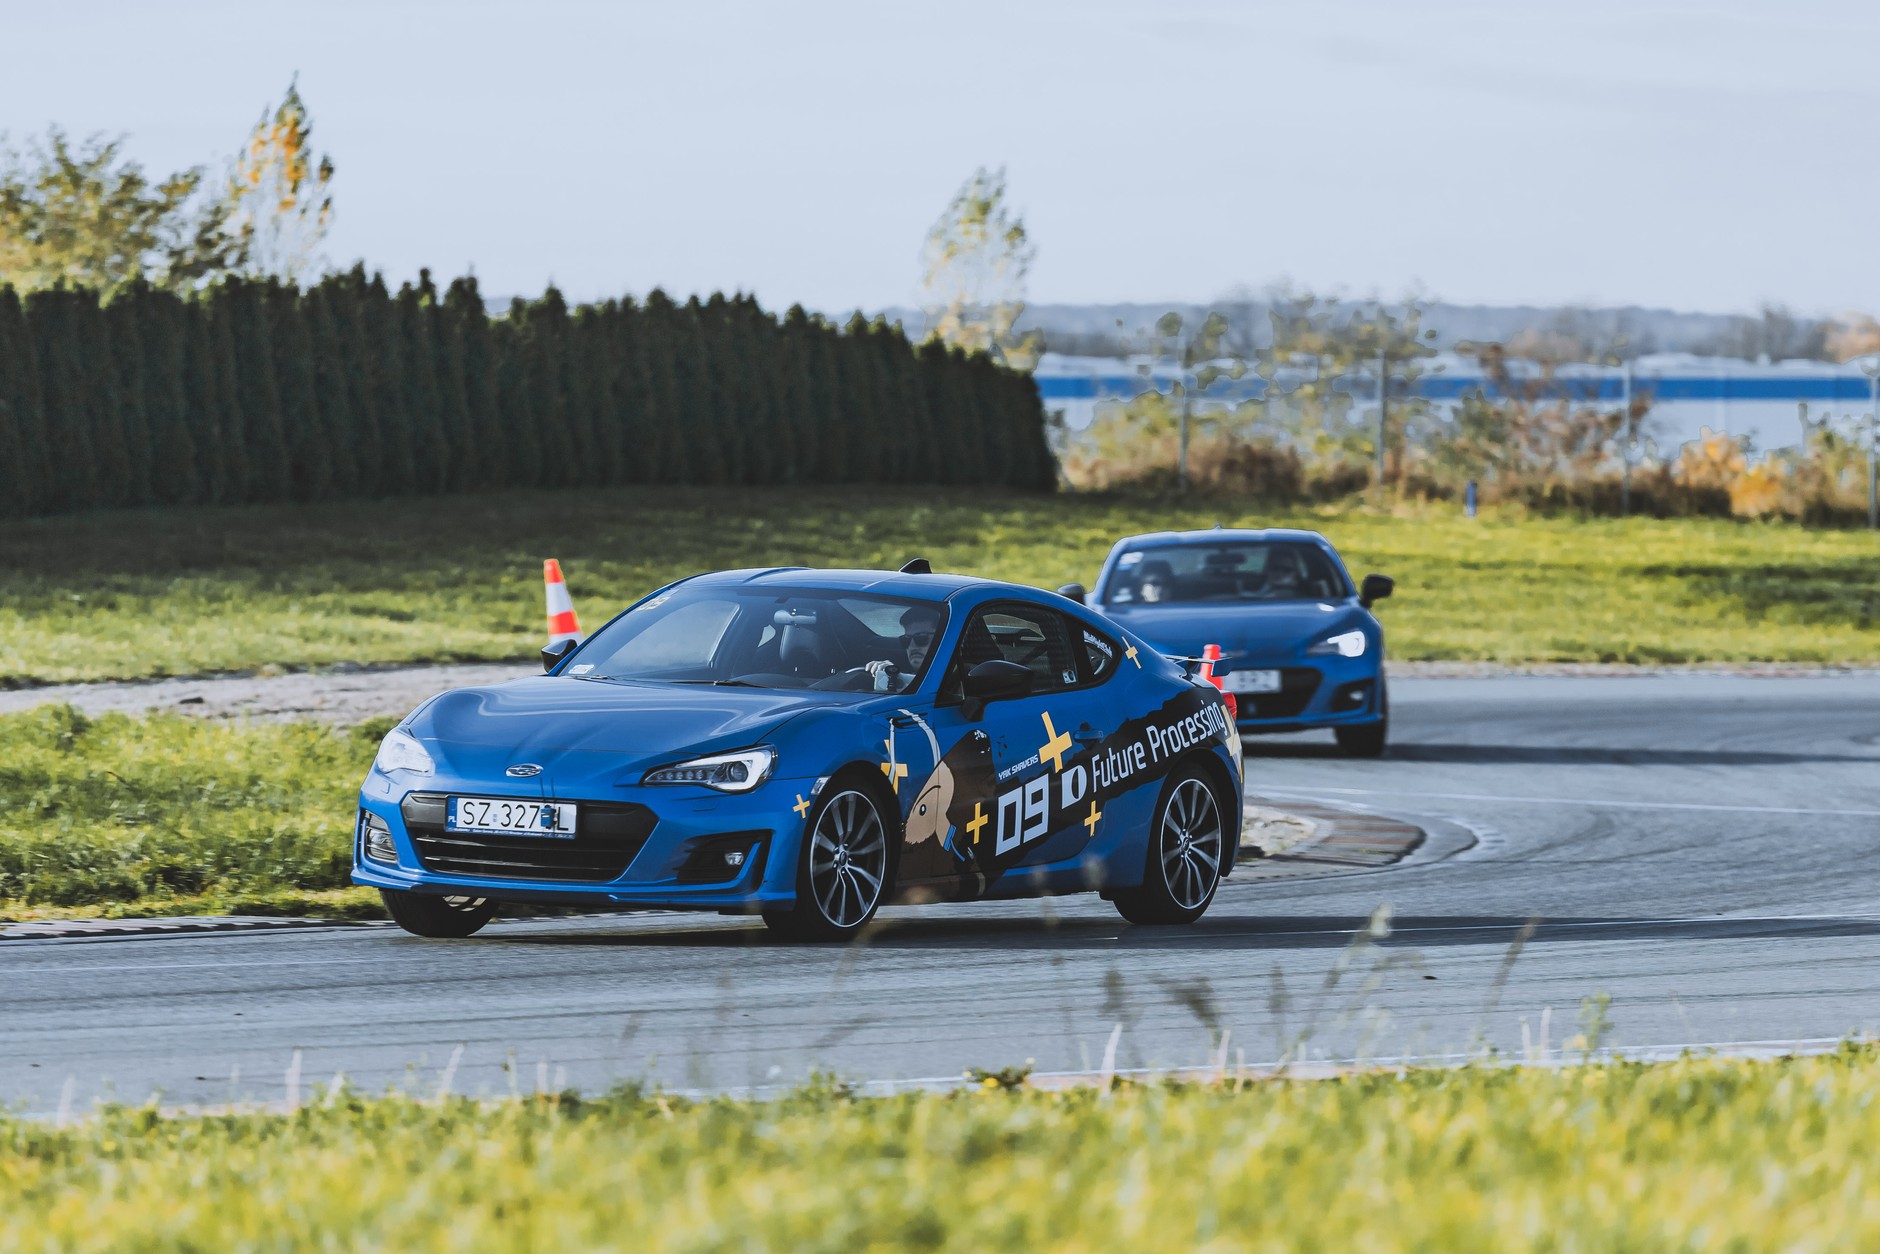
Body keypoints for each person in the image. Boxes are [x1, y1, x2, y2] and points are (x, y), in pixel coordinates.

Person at [856, 604, 943, 693]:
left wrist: (898, 679)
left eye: (921, 638)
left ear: (941, 638)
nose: (911, 646)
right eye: (906, 639)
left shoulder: (952, 678)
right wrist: (890, 674)